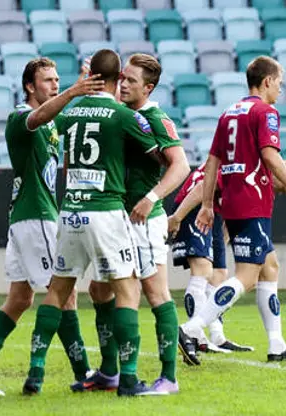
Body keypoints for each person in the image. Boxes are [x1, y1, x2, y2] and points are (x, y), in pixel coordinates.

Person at [0, 57, 106, 396]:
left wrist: (81, 84)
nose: (54, 84)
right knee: (64, 292)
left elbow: (56, 115)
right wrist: (73, 90)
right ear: (29, 86)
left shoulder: (52, 123)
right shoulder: (19, 117)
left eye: (57, 80)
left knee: (20, 298)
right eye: (47, 81)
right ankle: (84, 371)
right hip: (36, 215)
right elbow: (39, 116)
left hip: (27, 217)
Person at [21, 49, 159, 397]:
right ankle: (127, 377)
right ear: (116, 80)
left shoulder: (69, 111)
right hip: (107, 212)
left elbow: (38, 123)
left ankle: (35, 373)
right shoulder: (122, 114)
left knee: (57, 291)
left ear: (91, 76)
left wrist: (70, 94)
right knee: (128, 290)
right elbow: (157, 151)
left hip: (70, 212)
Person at [178, 56, 286, 366]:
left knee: (270, 267)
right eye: (279, 83)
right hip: (253, 199)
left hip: (236, 199)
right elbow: (270, 154)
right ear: (266, 81)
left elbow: (212, 161)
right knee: (246, 276)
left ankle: (277, 344)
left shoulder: (229, 113)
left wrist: (210, 204)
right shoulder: (266, 112)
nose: (280, 89)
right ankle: (190, 328)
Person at [71, 53, 190, 396]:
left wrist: (152, 198)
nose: (123, 84)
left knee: (155, 292)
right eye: (122, 78)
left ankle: (169, 378)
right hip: (114, 218)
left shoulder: (157, 119)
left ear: (148, 88)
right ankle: (109, 371)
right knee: (99, 290)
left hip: (143, 220)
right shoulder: (118, 115)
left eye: (132, 81)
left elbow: (179, 166)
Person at [169, 160, 286, 356]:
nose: (281, 193)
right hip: (195, 206)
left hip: (216, 213)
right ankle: (192, 332)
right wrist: (177, 217)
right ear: (283, 174)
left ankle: (221, 338)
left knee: (239, 270)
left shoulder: (261, 178)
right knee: (217, 272)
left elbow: (233, 207)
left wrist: (225, 242)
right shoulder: (251, 168)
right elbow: (205, 186)